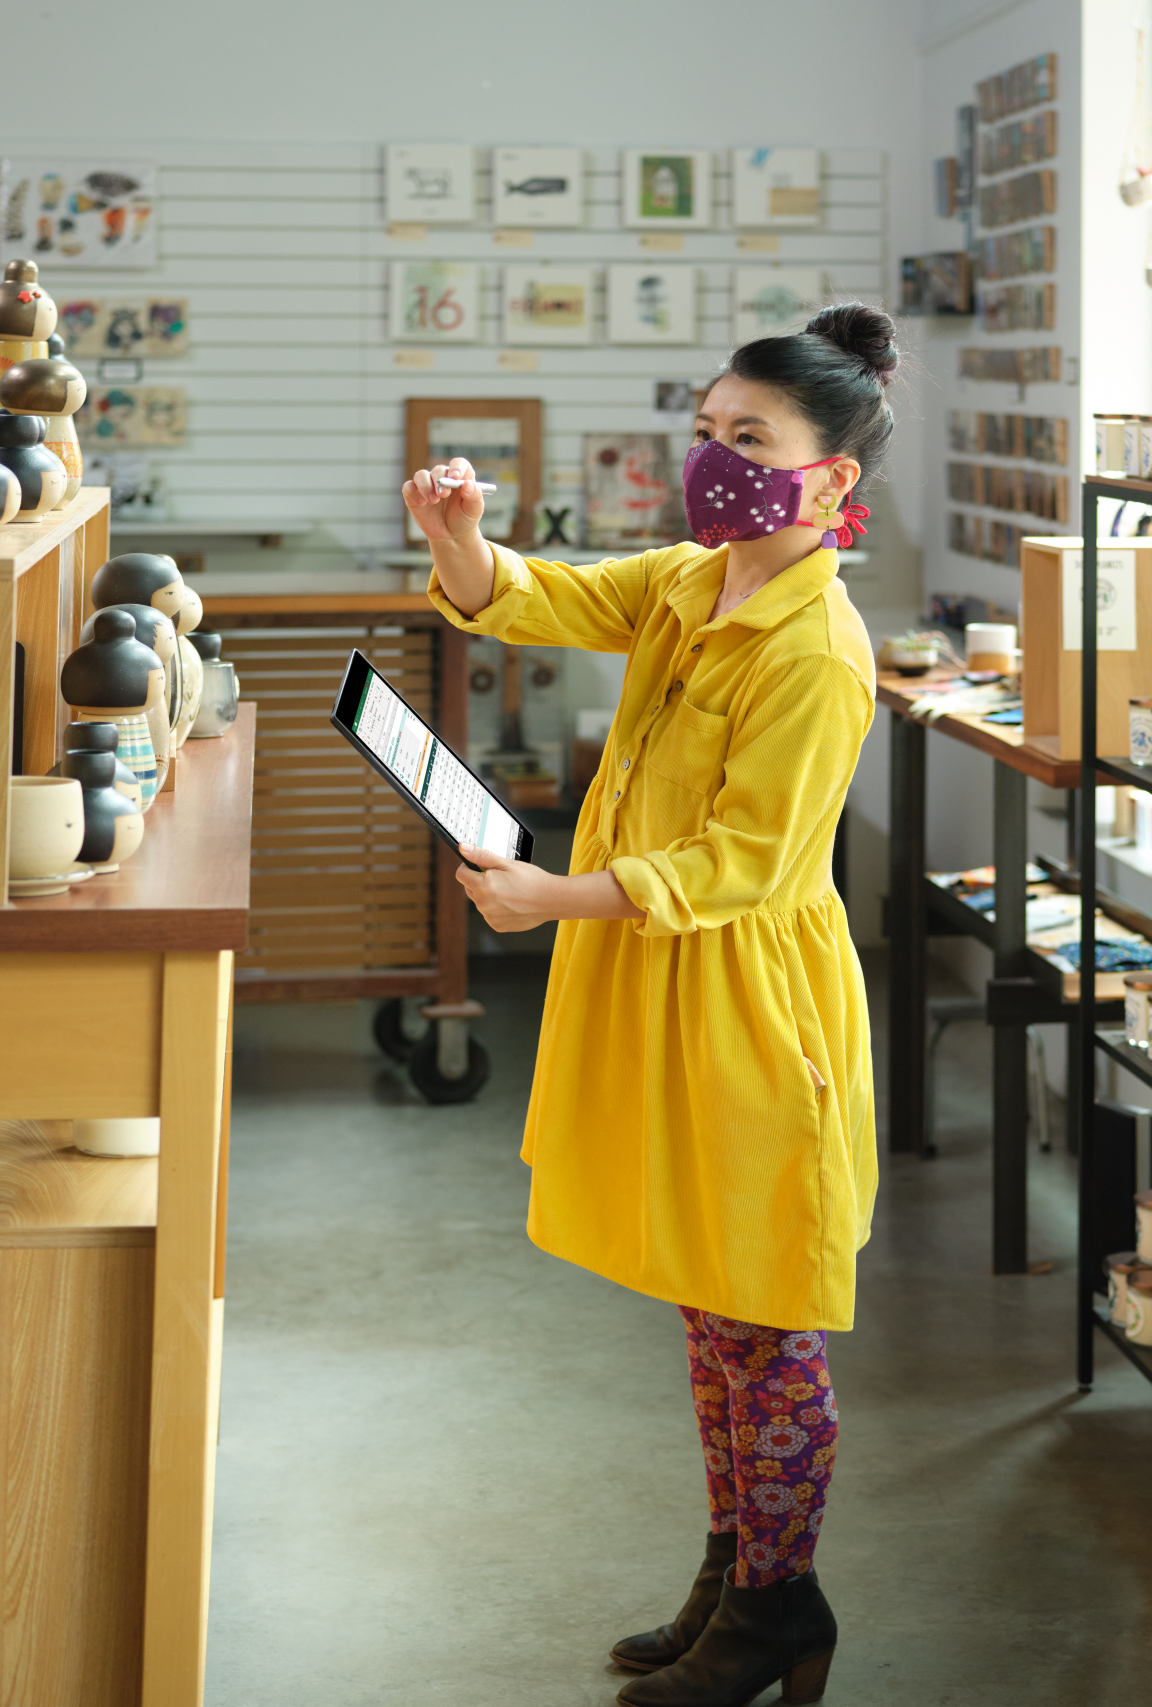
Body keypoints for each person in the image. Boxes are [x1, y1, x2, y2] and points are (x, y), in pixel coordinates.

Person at [406, 304, 898, 1707]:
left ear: (833, 480)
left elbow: (743, 865)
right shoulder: (696, 578)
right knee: (709, 1308)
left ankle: (782, 1604)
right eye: (707, 431)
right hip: (671, 984)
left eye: (753, 439)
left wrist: (555, 896)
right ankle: (738, 1569)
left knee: (765, 1321)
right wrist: (461, 539)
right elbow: (554, 595)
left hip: (751, 1007)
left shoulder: (817, 652)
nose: (716, 459)